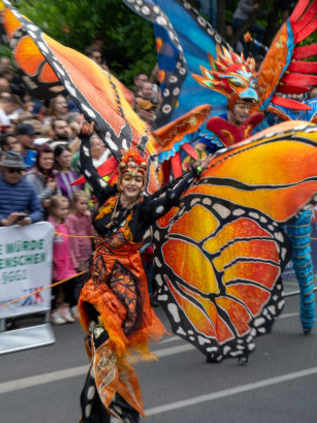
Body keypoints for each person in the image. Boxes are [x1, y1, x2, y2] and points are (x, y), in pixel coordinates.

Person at [75, 123, 208, 421]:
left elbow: (171, 196)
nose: (133, 183)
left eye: (139, 178)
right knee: (102, 356)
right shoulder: (106, 197)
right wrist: (85, 139)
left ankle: (111, 413)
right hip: (96, 286)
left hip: (122, 292)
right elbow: (88, 170)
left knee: (102, 353)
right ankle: (102, 414)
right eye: (128, 177)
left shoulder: (145, 210)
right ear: (120, 179)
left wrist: (193, 174)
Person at [0, 151, 43, 228]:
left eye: (19, 171)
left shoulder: (29, 186)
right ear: (3, 168)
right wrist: (3, 221)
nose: (15, 174)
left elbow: (38, 210)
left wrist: (29, 219)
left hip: (19, 231)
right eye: (11, 170)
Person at [47, 195, 77, 325]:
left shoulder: (66, 223)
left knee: (72, 283)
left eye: (66, 209)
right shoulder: (49, 225)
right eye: (62, 209)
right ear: (53, 209)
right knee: (55, 288)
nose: (65, 212)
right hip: (55, 263)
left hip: (67, 261)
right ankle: (53, 311)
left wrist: (74, 259)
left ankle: (64, 307)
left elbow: (71, 242)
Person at [65, 189, 94, 316]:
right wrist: (75, 259)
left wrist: (88, 218)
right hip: (76, 254)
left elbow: (91, 234)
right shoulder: (70, 218)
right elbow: (71, 240)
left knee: (86, 280)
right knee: (77, 283)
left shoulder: (85, 216)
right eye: (81, 203)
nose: (84, 206)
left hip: (86, 251)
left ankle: (86, 303)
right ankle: (75, 305)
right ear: (74, 203)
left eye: (86, 204)